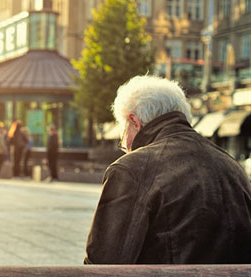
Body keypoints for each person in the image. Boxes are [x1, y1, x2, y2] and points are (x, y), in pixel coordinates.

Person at [85, 75, 251, 264]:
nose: (125, 145)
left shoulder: (131, 170)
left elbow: (102, 264)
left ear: (134, 122)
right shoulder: (232, 167)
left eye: (123, 134)